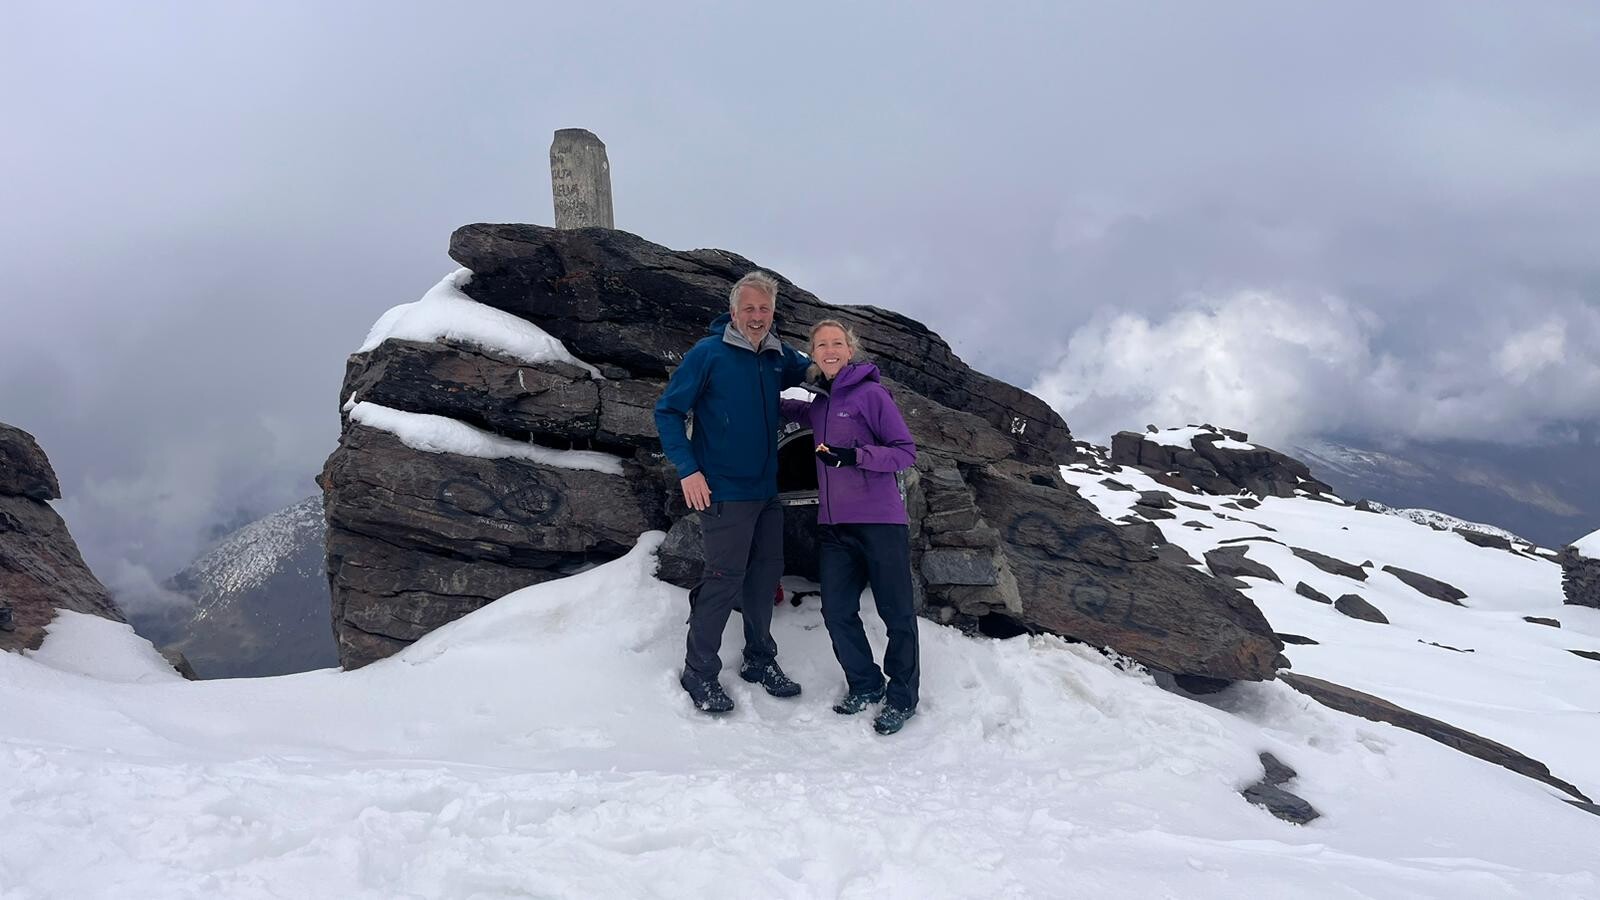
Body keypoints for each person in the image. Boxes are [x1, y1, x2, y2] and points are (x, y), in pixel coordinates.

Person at [654, 271, 812, 714]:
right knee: (724, 581)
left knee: (765, 577)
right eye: (749, 309)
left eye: (764, 309)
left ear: (773, 312)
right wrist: (688, 470)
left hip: (766, 490)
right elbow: (667, 412)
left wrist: (858, 379)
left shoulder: (778, 357)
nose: (757, 317)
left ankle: (760, 660)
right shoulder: (709, 354)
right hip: (722, 490)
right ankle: (698, 671)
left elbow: (818, 370)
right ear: (733, 311)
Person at [781, 319, 921, 735]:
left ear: (850, 348)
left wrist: (855, 456)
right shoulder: (819, 403)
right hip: (834, 526)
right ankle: (865, 684)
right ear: (813, 352)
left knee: (896, 613)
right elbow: (788, 409)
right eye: (821, 344)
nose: (829, 350)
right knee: (837, 610)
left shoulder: (871, 394)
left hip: (880, 522)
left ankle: (902, 697)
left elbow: (905, 452)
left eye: (837, 343)